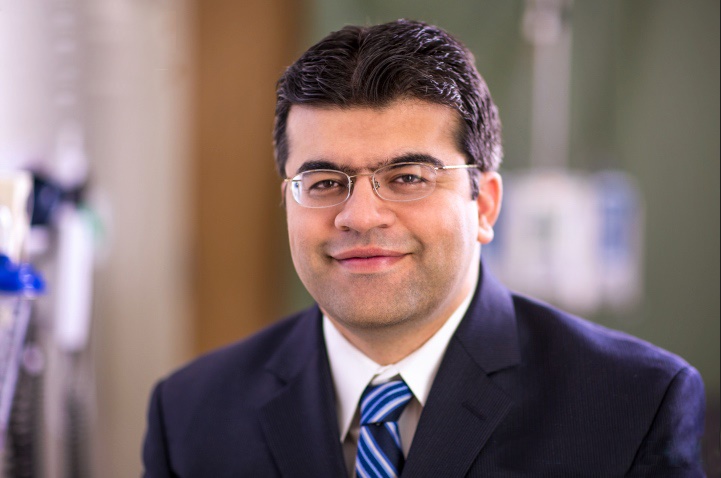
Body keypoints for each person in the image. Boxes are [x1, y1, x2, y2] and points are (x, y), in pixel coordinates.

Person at [142, 19, 705, 477]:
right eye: (323, 183)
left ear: (483, 204)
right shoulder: (191, 415)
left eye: (408, 177)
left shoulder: (632, 405)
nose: (359, 216)